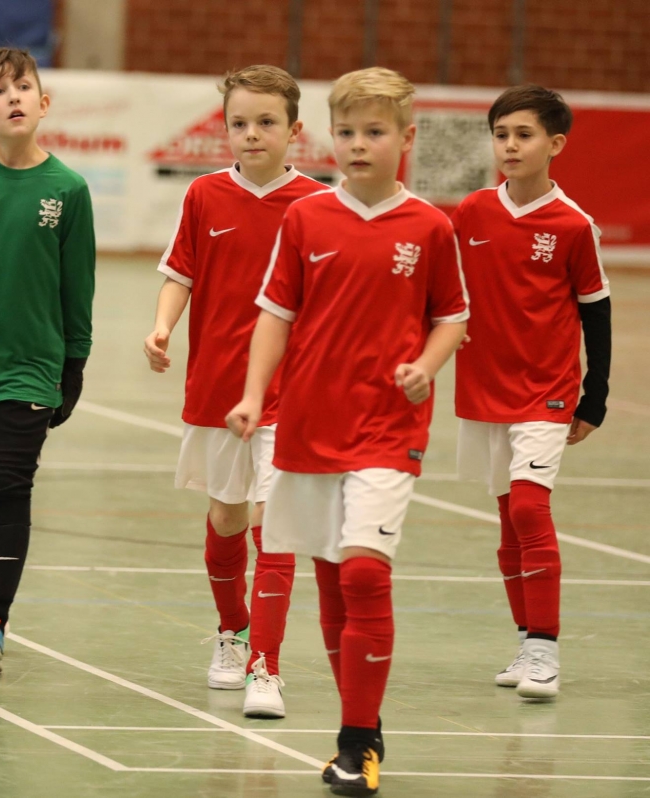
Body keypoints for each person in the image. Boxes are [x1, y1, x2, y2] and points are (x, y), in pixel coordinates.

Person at [227, 67, 468, 795]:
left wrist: (426, 366)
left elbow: (452, 316)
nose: (359, 144)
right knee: (332, 581)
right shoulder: (306, 220)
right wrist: (253, 395)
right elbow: (276, 315)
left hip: (389, 428)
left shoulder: (429, 227)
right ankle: (362, 722)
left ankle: (356, 742)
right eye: (348, 132)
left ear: (406, 138)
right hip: (309, 426)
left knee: (364, 571)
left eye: (375, 132)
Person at [144, 64, 324, 719]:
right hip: (217, 390)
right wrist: (162, 327)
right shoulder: (204, 196)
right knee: (227, 518)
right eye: (239, 122)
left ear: (294, 130)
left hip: (292, 393)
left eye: (266, 122)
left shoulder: (316, 206)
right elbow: (180, 273)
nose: (252, 133)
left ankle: (265, 667)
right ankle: (232, 629)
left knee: (277, 528)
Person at [0, 47, 96, 674]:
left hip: (30, 366)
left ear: (43, 102)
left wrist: (74, 363)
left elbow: (76, 286)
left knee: (8, 484)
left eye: (23, 87)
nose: (14, 98)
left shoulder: (68, 189)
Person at [453, 84, 611, 701]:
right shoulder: (471, 212)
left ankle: (545, 650)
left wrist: (594, 397)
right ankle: (526, 640)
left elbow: (596, 313)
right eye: (501, 135)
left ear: (556, 144)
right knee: (506, 520)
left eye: (524, 135)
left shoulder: (573, 224)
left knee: (527, 508)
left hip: (547, 391)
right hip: (484, 388)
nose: (510, 146)